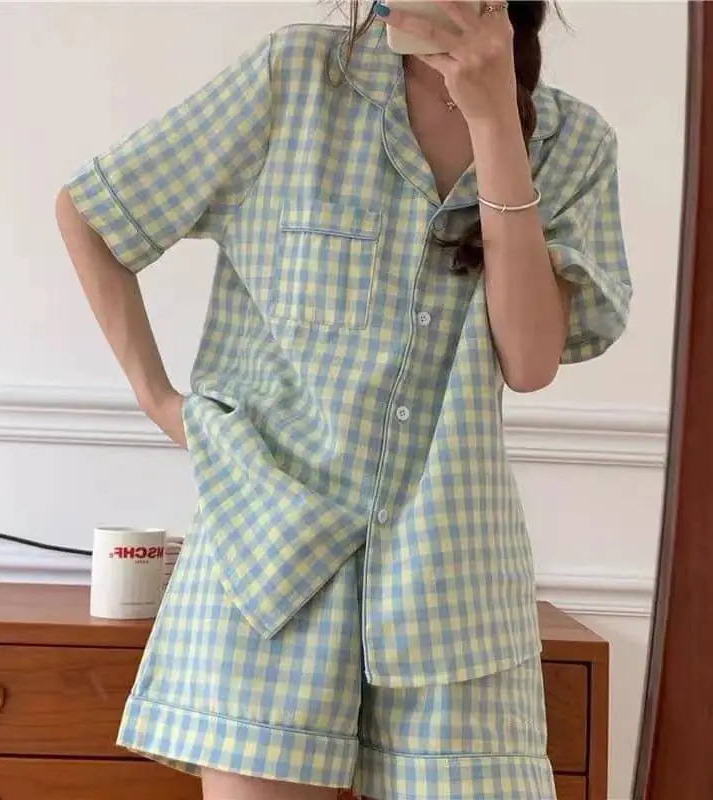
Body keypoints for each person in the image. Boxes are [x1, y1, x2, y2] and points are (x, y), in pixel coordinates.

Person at [56, 1, 631, 798]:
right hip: (269, 557)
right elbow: (91, 212)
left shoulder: (574, 145)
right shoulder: (295, 78)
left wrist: (497, 122)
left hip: (452, 582)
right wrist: (160, 401)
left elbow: (529, 361)